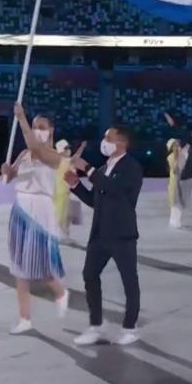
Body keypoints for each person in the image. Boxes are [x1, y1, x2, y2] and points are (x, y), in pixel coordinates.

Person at [64, 126, 143, 346]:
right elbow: (94, 199)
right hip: (100, 233)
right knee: (90, 275)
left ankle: (130, 327)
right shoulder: (104, 167)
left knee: (129, 281)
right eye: (105, 137)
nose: (104, 141)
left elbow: (113, 188)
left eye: (109, 138)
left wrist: (87, 169)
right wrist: (75, 184)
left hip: (122, 234)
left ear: (122, 142)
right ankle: (96, 325)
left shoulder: (131, 168)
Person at [0, 104, 69, 334]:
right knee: (19, 268)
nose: (38, 130)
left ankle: (60, 292)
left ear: (51, 130)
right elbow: (10, 179)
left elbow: (36, 147)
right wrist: (7, 171)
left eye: (42, 127)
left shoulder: (53, 156)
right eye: (35, 126)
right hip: (20, 208)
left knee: (41, 266)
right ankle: (24, 318)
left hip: (40, 209)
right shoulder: (24, 154)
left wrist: (22, 120)